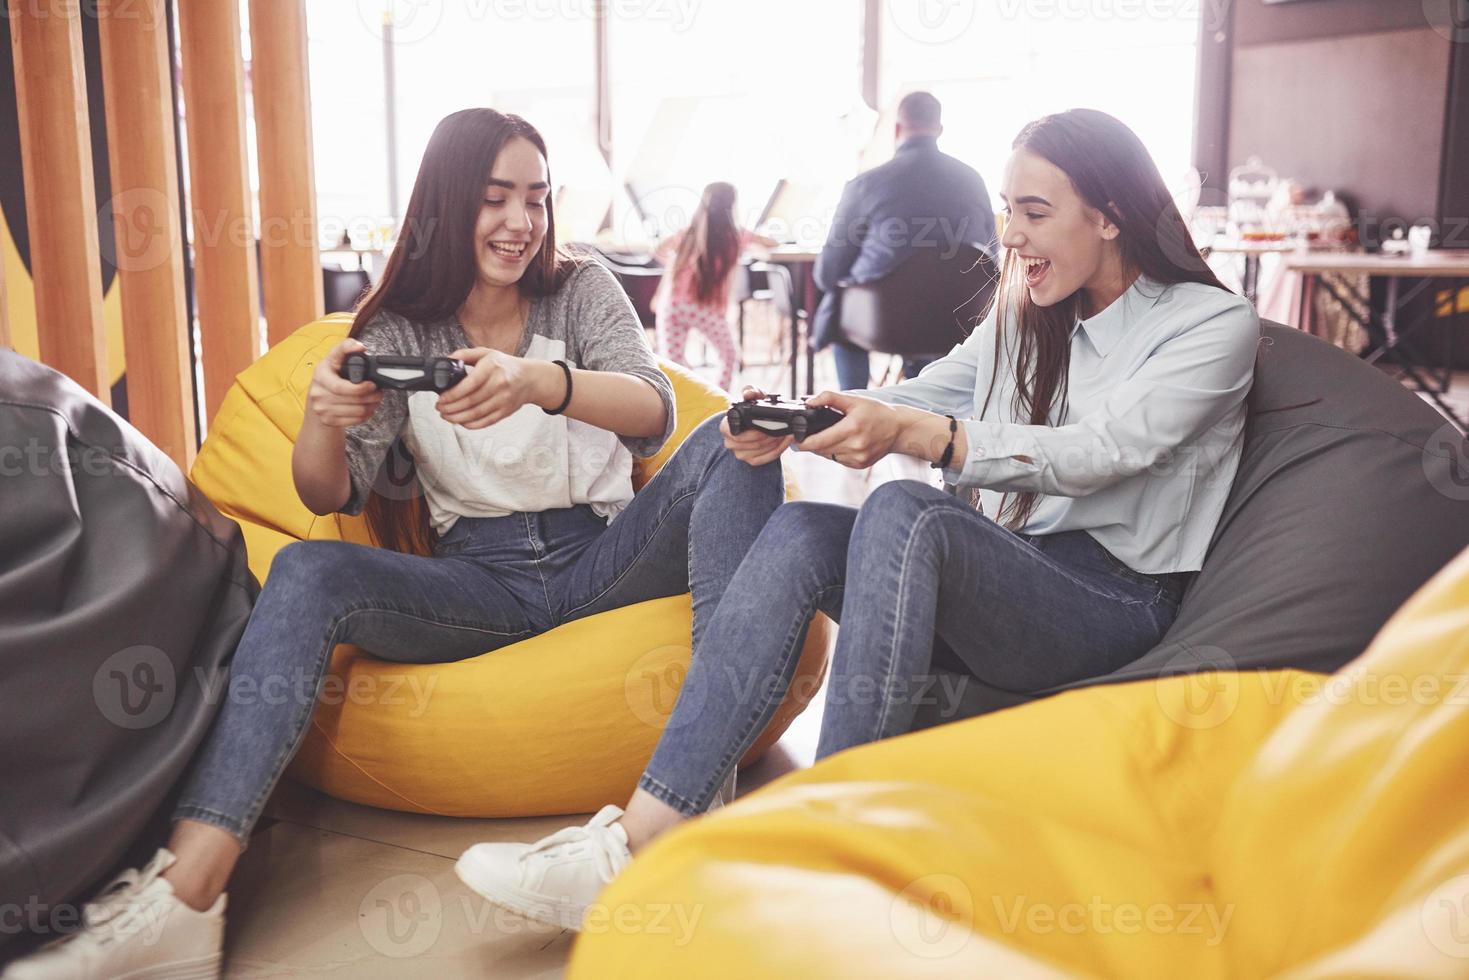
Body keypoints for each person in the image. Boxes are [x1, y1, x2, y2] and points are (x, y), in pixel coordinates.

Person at [1, 108, 790, 979]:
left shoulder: (580, 287)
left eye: (535, 198)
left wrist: (541, 382)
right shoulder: (400, 327)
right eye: (495, 200)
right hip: (479, 585)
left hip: (603, 557)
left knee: (737, 443)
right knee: (305, 570)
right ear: (448, 207)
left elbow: (658, 413)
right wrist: (321, 423)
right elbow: (324, 494)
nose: (521, 223)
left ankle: (681, 802)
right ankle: (190, 896)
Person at [453, 108, 1259, 931]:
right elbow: (924, 391)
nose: (1009, 237)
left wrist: (918, 437)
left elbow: (1102, 450)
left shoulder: (1209, 325)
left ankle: (828, 862)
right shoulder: (1028, 317)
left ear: (1111, 214)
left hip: (1110, 603)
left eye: (1034, 213)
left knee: (909, 507)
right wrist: (807, 415)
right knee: (804, 531)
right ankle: (648, 835)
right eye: (1006, 211)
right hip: (1010, 575)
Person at [813, 90, 998, 391]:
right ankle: (930, 401)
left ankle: (851, 405)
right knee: (934, 328)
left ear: (897, 129)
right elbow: (992, 257)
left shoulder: (865, 184)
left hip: (880, 323)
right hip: (959, 320)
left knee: (838, 312)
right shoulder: (974, 181)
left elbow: (827, 274)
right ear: (939, 129)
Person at [652, 182, 778, 391]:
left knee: (673, 365)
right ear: (732, 206)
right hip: (704, 307)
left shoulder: (689, 233)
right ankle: (719, 401)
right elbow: (771, 243)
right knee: (729, 356)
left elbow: (659, 249)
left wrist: (679, 264)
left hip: (672, 305)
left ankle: (686, 399)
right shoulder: (736, 236)